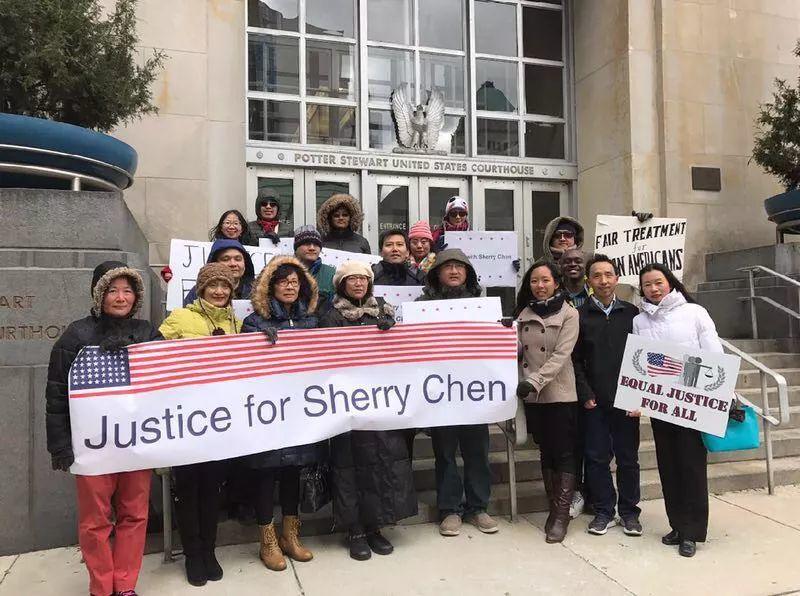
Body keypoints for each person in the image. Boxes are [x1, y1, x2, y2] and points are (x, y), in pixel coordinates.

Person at [45, 261, 161, 596]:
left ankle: (124, 585)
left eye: (127, 290)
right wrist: (60, 445)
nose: (121, 297)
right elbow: (56, 394)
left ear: (136, 296)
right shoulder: (76, 335)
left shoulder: (147, 333)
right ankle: (100, 587)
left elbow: (166, 383)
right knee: (95, 522)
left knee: (134, 515)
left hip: (136, 444)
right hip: (92, 448)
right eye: (112, 290)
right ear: (99, 294)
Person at [320, 261, 418, 560]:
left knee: (381, 464)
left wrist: (392, 332)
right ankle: (355, 530)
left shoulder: (384, 312)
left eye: (363, 279)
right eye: (352, 279)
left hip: (381, 402)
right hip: (348, 404)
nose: (359, 283)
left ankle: (375, 525)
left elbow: (403, 352)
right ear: (342, 284)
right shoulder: (331, 316)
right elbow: (325, 357)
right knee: (349, 467)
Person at [159, 263, 242, 586]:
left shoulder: (237, 323)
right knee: (187, 487)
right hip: (186, 418)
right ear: (201, 288)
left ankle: (209, 550)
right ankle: (192, 554)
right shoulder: (180, 318)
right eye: (213, 286)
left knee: (211, 488)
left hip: (220, 420)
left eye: (225, 286)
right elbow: (153, 355)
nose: (219, 291)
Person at [241, 255, 326, 571]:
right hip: (268, 412)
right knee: (265, 473)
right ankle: (267, 540)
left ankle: (291, 536)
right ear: (270, 286)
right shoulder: (254, 322)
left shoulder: (312, 321)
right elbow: (245, 368)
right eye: (283, 282)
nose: (290, 287)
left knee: (293, 472)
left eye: (295, 282)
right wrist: (259, 344)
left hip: (301, 410)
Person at [633, 263, 723, 558]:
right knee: (668, 466)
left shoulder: (695, 312)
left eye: (658, 282)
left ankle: (692, 532)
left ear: (670, 283)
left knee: (691, 467)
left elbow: (714, 353)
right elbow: (640, 362)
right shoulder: (639, 320)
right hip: (662, 404)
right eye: (647, 284)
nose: (653, 289)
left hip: (692, 403)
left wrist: (722, 393)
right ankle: (677, 525)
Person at [415, 249, 497, 536]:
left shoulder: (482, 307)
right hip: (440, 394)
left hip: (475, 393)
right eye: (447, 266)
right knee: (445, 454)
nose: (453, 271)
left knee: (478, 452)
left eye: (459, 267)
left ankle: (478, 507)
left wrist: (504, 332)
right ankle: (450, 509)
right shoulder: (422, 306)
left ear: (468, 273)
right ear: (437, 273)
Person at [572, 255, 642, 538]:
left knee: (628, 459)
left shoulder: (632, 314)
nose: (603, 280)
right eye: (597, 275)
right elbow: (575, 360)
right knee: (597, 458)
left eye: (608, 274)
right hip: (594, 401)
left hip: (627, 400)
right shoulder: (579, 316)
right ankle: (603, 511)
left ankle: (630, 513)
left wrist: (639, 396)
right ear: (588, 280)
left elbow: (644, 358)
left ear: (617, 278)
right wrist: (585, 393)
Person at [515, 260, 580, 543]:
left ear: (556, 282)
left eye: (545, 280)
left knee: (564, 453)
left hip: (559, 393)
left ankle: (561, 515)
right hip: (531, 396)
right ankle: (553, 506)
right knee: (546, 452)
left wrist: (535, 381)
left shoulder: (569, 313)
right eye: (534, 281)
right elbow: (517, 352)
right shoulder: (522, 314)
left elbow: (561, 355)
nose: (539, 286)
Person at [183, 238, 255, 306]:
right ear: (214, 263)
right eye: (225, 259)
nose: (233, 264)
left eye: (238, 259)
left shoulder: (256, 291)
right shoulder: (198, 291)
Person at [293, 225, 335, 303]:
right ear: (296, 248)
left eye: (316, 244)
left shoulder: (331, 273)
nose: (312, 248)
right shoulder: (284, 272)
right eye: (306, 244)